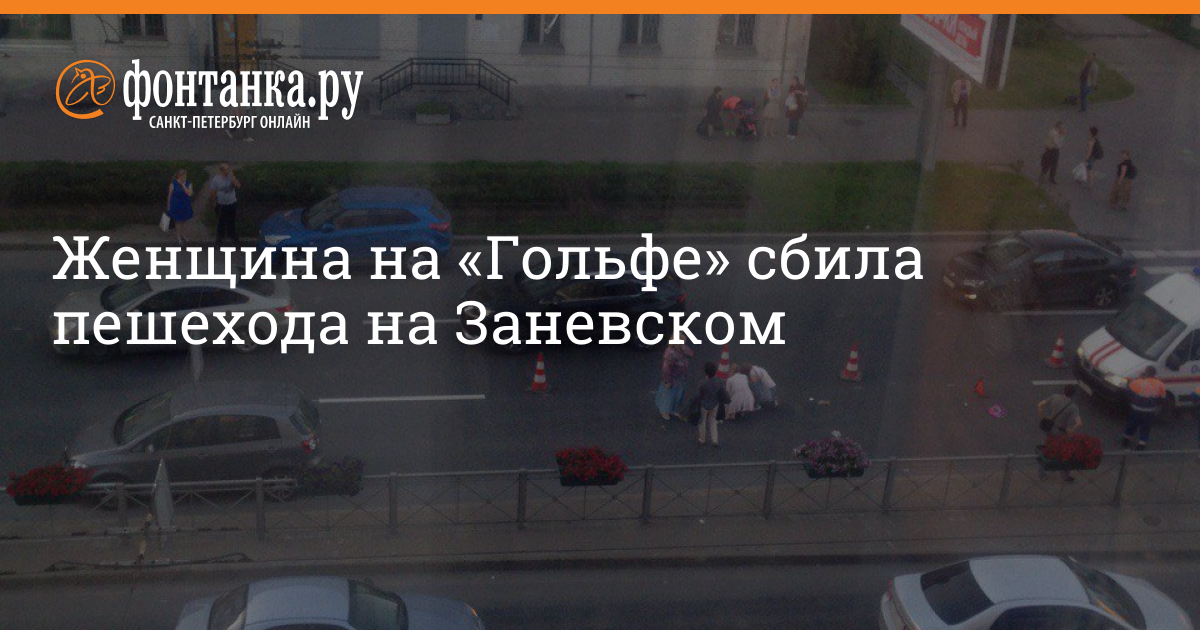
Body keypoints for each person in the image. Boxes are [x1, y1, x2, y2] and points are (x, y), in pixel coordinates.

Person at [1037, 384, 1083, 481]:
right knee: (1066, 453)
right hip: (1061, 432)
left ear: (1064, 390)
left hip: (1050, 428)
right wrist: (1071, 430)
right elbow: (1079, 423)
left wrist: (1043, 417)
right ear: (1073, 394)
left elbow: (1040, 405)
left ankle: (1041, 474)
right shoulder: (1073, 407)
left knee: (1046, 450)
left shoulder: (1054, 397)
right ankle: (1065, 476)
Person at [1122, 366, 1166, 451]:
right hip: (1150, 411)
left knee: (1132, 424)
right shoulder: (1160, 384)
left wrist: (1138, 378)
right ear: (1154, 374)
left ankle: (1126, 440)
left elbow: (1128, 391)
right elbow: (1162, 398)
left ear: (1145, 373)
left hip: (1136, 409)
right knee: (1145, 428)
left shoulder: (1138, 382)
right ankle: (1141, 444)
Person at [655, 339, 694, 421]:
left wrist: (685, 349)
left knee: (677, 395)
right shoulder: (670, 353)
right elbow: (666, 369)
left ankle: (672, 409)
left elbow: (691, 354)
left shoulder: (682, 349)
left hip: (680, 377)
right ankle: (664, 411)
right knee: (668, 395)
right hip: (672, 378)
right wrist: (667, 381)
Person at [695, 362, 729, 447]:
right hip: (714, 404)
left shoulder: (702, 383)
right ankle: (715, 440)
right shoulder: (719, 381)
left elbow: (699, 395)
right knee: (713, 421)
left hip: (704, 405)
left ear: (705, 372)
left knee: (702, 422)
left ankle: (702, 439)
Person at [209, 163, 242, 246]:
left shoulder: (231, 178)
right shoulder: (216, 179)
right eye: (226, 169)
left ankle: (232, 234)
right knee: (221, 221)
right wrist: (214, 203)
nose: (228, 171)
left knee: (231, 220)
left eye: (228, 169)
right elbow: (212, 192)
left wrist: (233, 178)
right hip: (221, 204)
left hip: (231, 203)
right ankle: (220, 236)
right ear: (222, 170)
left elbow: (238, 186)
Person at [167, 168, 194, 245]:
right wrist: (168, 206)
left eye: (185, 175)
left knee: (184, 221)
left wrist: (183, 185)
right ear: (179, 176)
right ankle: (178, 236)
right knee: (178, 222)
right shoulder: (173, 184)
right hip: (176, 206)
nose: (184, 177)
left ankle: (183, 234)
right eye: (182, 175)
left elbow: (190, 194)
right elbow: (169, 196)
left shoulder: (188, 183)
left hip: (185, 205)